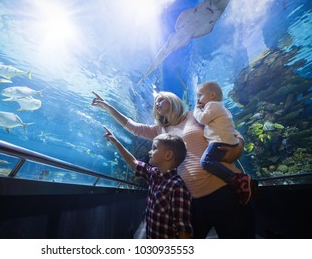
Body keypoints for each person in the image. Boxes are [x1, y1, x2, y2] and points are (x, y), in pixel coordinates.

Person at [91, 91, 255, 238]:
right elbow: (132, 126)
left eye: (161, 99)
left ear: (173, 100)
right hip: (193, 201)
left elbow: (228, 130)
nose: (157, 103)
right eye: (156, 102)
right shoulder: (160, 131)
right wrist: (107, 106)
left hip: (225, 192)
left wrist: (239, 145)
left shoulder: (196, 115)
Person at [102, 126, 193, 239]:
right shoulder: (153, 174)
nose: (149, 152)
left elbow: (183, 229)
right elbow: (134, 162)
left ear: (168, 155)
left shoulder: (177, 187)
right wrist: (115, 141)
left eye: (154, 148)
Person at [193, 81, 251, 206]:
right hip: (224, 140)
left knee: (206, 162)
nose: (198, 100)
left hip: (219, 140)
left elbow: (202, 119)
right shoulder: (219, 107)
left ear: (212, 95)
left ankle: (237, 179)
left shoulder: (213, 105)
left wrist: (196, 110)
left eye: (200, 95)